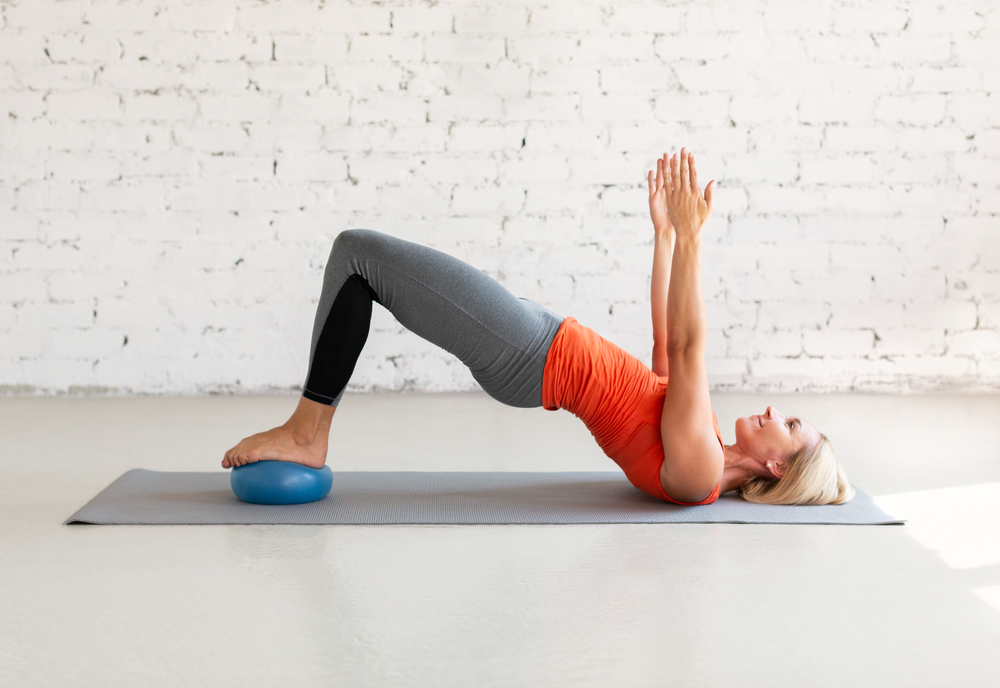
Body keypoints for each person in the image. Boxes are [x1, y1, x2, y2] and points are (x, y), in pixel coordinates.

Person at [223, 148, 854, 506]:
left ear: (776, 468)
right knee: (360, 266)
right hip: (534, 342)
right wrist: (665, 237)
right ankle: (308, 429)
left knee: (357, 251)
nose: (778, 411)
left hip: (530, 353)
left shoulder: (700, 476)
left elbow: (690, 348)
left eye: (791, 425)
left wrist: (693, 239)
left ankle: (308, 434)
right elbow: (666, 348)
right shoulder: (705, 444)